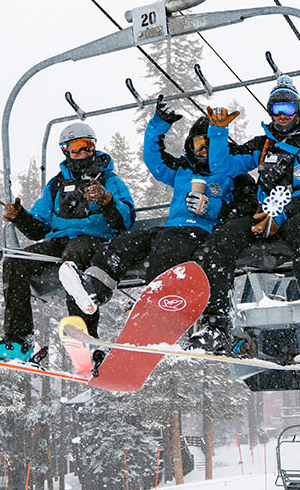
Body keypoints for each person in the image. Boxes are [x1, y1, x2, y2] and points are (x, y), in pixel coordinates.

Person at [189, 75, 300, 354]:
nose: (282, 116)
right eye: (276, 110)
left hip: (299, 211)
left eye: (287, 109)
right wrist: (217, 132)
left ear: (298, 110)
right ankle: (215, 322)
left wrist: (283, 214)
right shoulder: (264, 144)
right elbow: (222, 167)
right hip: (264, 214)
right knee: (221, 239)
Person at [60, 102, 251, 324]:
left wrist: (212, 208)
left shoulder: (232, 175)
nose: (204, 150)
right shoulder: (183, 169)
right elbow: (156, 161)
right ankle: (95, 288)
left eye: (210, 144)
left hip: (204, 230)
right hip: (173, 226)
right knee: (126, 242)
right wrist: (158, 125)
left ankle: (158, 301)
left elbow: (248, 209)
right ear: (190, 146)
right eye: (199, 144)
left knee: (169, 245)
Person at [0, 121, 134, 362]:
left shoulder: (108, 180)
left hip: (96, 240)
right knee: (16, 261)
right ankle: (19, 341)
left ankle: (84, 334)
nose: (83, 152)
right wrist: (20, 217)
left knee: (74, 257)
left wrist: (107, 201)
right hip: (59, 240)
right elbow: (39, 227)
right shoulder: (56, 185)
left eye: (88, 145)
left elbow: (126, 219)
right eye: (76, 147)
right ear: (66, 150)